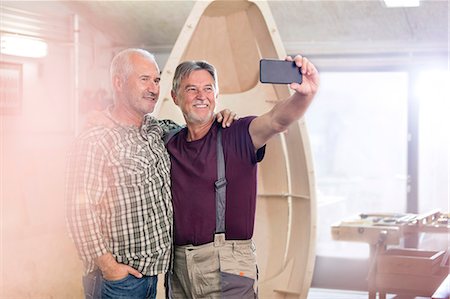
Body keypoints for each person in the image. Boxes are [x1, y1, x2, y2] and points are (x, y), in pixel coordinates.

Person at [65, 48, 235, 299]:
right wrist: (109, 267)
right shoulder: (95, 139)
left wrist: (218, 117)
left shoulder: (156, 130)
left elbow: (197, 131)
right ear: (118, 82)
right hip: (117, 282)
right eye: (144, 79)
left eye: (156, 80)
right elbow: (79, 210)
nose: (153, 88)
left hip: (154, 277)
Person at [165, 55, 319, 298]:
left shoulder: (237, 133)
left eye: (208, 89)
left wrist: (304, 95)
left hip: (226, 264)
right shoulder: (168, 141)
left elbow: (276, 120)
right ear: (175, 97)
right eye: (191, 89)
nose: (201, 96)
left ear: (216, 96)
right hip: (178, 267)